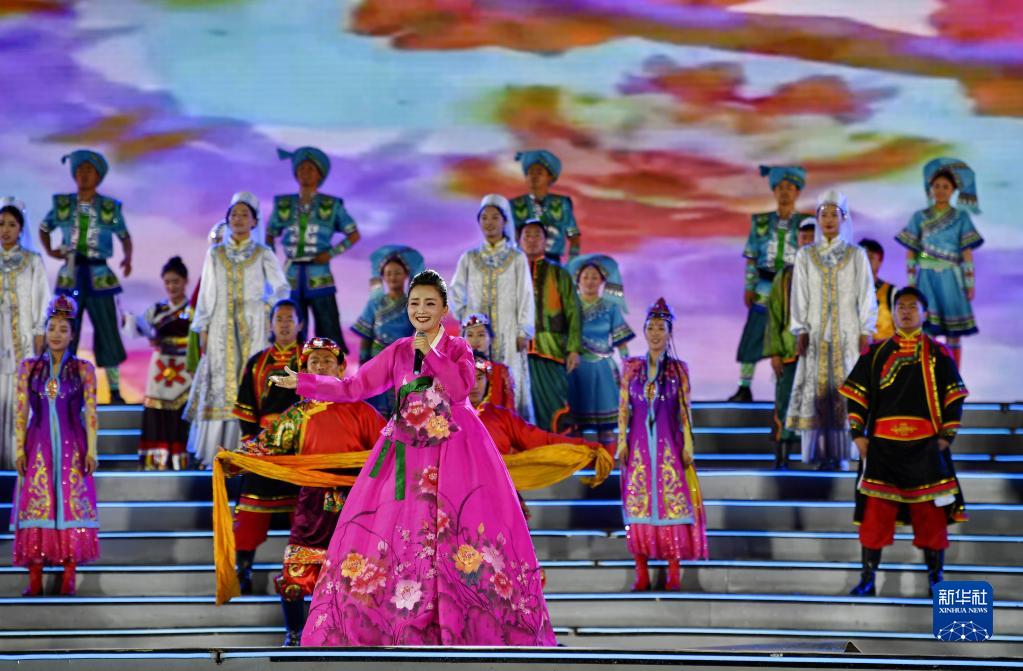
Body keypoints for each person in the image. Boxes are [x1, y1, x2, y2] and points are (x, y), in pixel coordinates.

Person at [269, 269, 557, 646]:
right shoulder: (399, 350)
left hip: (456, 450)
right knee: (404, 531)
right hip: (408, 451)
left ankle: (466, 622)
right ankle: (404, 623)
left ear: (444, 309)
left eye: (430, 303)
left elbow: (459, 389)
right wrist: (306, 382)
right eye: (415, 302)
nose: (421, 309)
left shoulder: (458, 348)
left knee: (459, 529)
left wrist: (431, 353)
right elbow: (355, 386)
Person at [233, 337, 384, 645]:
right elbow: (265, 446)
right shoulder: (298, 415)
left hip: (357, 503)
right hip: (312, 504)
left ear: (341, 368)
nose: (321, 366)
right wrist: (234, 459)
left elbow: (388, 451)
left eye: (328, 361)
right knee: (297, 570)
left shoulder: (362, 411)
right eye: (314, 362)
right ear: (304, 371)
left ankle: (357, 634)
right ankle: (294, 635)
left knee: (361, 572)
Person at [840, 287, 968, 597]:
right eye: (900, 306)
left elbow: (954, 396)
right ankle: (868, 580)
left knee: (931, 516)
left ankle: (936, 580)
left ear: (925, 313)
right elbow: (856, 396)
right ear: (894, 312)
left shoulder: (939, 354)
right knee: (875, 514)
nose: (906, 311)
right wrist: (858, 435)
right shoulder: (875, 353)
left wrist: (946, 437)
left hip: (925, 448)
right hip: (882, 448)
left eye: (912, 306)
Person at [185, 192, 290, 469]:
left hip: (253, 327)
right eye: (234, 214)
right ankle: (216, 452)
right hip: (220, 325)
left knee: (248, 380)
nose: (239, 219)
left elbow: (282, 287)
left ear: (255, 221)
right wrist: (203, 326)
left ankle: (249, 450)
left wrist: (266, 307)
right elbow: (207, 292)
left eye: (245, 214)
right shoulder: (215, 253)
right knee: (220, 381)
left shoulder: (263, 253)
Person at [617, 298, 708, 592]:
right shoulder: (632, 368)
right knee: (639, 506)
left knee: (671, 506)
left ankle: (673, 573)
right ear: (644, 331)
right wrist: (621, 442)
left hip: (669, 445)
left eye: (661, 328)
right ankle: (641, 573)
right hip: (639, 447)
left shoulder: (678, 370)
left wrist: (689, 444)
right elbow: (623, 409)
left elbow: (685, 410)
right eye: (651, 328)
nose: (655, 333)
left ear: (670, 333)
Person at [12, 295, 99, 596]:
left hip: (73, 443)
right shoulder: (29, 368)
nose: (56, 334)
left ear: (73, 334)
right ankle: (34, 578)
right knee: (38, 503)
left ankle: (69, 576)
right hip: (37, 445)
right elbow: (21, 411)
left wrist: (92, 450)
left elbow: (92, 412)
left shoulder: (84, 369)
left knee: (70, 505)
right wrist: (19, 449)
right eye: (51, 328)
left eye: (63, 329)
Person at [788, 191, 877, 470]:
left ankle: (843, 455)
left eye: (833, 215)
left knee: (845, 389)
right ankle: (817, 454)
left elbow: (866, 293)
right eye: (823, 215)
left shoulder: (856, 255)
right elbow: (799, 295)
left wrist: (866, 329)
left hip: (847, 333)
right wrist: (800, 328)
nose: (828, 220)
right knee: (816, 390)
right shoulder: (805, 255)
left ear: (843, 218)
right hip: (815, 333)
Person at [39, 150, 132, 404]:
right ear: (74, 174)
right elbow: (44, 227)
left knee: (108, 329)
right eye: (80, 170)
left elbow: (124, 236)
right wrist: (51, 250)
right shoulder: (63, 204)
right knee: (63, 328)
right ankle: (62, 387)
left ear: (98, 176)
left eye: (89, 170)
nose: (84, 174)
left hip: (100, 275)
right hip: (70, 274)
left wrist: (128, 258)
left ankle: (115, 391)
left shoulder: (109, 207)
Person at [231, 299, 303, 593]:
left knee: (305, 514)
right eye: (279, 319)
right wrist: (253, 445)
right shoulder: (257, 363)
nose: (284, 324)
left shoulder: (311, 360)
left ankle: (303, 574)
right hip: (264, 449)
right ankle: (243, 571)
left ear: (300, 324)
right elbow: (246, 412)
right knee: (250, 508)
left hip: (302, 450)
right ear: (270, 324)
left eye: (290, 319)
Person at [728, 165, 813, 403]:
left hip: (795, 287)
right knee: (754, 334)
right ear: (774, 191)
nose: (785, 192)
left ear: (797, 192)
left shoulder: (807, 222)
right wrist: (749, 286)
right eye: (780, 187)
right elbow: (752, 256)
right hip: (764, 286)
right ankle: (744, 387)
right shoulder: (761, 221)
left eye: (790, 188)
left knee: (791, 337)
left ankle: (788, 389)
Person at [450, 194, 535, 421]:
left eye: (495, 217)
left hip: (509, 332)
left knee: (509, 378)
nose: (489, 222)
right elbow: (455, 292)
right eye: (484, 217)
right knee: (475, 378)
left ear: (505, 221)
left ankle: (510, 429)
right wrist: (467, 320)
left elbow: (526, 295)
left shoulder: (517, 258)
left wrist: (524, 330)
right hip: (477, 335)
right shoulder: (469, 258)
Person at [267, 146, 360, 350]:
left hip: (320, 275)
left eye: (311, 169)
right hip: (291, 275)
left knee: (328, 326)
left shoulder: (332, 205)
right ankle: (289, 366)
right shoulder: (284, 204)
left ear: (320, 174)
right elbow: (270, 233)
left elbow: (354, 234)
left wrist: (330, 254)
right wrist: (270, 265)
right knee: (291, 326)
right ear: (295, 173)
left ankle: (331, 367)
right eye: (301, 168)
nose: (305, 172)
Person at [895, 158, 983, 368]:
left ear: (953, 190)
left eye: (946, 186)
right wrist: (911, 282)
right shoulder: (919, 217)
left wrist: (970, 283)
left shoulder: (961, 217)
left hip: (951, 278)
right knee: (926, 330)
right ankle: (928, 376)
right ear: (930, 189)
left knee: (954, 332)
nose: (941, 190)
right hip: (926, 278)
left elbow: (967, 252)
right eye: (937, 186)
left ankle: (953, 376)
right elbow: (912, 251)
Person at [566, 254, 634, 452]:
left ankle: (607, 465)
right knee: (574, 426)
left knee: (607, 428)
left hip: (603, 369)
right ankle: (577, 464)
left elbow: (621, 341)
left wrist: (628, 365)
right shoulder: (570, 305)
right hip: (575, 368)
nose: (590, 281)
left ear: (602, 281)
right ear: (578, 280)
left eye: (594, 277)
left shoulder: (611, 306)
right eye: (585, 277)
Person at [519, 219, 582, 432]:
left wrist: (574, 349)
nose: (532, 240)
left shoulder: (559, 273)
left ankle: (557, 450)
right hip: (518, 352)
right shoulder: (512, 274)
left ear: (545, 241)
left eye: (537, 235)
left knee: (555, 408)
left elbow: (573, 312)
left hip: (552, 350)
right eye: (527, 235)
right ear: (519, 241)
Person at [0, 198, 48, 470]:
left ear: (20, 228)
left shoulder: (32, 261)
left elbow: (43, 297)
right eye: (1, 224)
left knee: (21, 392)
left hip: (23, 337)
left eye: (11, 224)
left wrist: (41, 330)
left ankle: (19, 457)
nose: (5, 230)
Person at [764, 221, 816, 469]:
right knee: (785, 401)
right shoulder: (785, 275)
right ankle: (781, 457)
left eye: (812, 237)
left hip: (817, 352)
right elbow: (774, 316)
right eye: (803, 237)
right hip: (788, 350)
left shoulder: (826, 272)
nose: (807, 241)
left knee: (815, 404)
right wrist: (775, 352)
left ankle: (817, 458)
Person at [352, 245, 424, 416]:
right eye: (389, 273)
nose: (393, 277)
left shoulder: (413, 304)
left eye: (397, 273)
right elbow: (366, 335)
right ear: (383, 276)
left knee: (403, 407)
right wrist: (363, 363)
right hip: (377, 359)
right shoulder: (374, 303)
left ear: (406, 275)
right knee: (376, 407)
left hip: (404, 360)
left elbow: (420, 335)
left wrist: (417, 365)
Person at [136, 256, 193, 470]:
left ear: (185, 281)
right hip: (161, 366)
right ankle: (157, 460)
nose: (171, 286)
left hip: (186, 367)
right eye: (167, 282)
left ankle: (181, 459)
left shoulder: (195, 310)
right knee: (157, 410)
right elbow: (138, 328)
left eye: (175, 281)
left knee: (182, 412)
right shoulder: (157, 309)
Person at [509, 150, 580, 263]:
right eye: (530, 173)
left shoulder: (562, 203)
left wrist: (572, 263)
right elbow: (511, 236)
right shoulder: (515, 204)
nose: (534, 176)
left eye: (539, 173)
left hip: (553, 262)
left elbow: (574, 236)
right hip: (524, 262)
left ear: (550, 177)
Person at [461, 314, 515, 411]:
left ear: (491, 339)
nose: (475, 340)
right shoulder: (454, 371)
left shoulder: (502, 371)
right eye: (470, 335)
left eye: (481, 335)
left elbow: (510, 410)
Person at [859, 238, 896, 342]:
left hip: (885, 348)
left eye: (870, 257)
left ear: (880, 261)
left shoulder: (891, 292)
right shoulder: (846, 291)